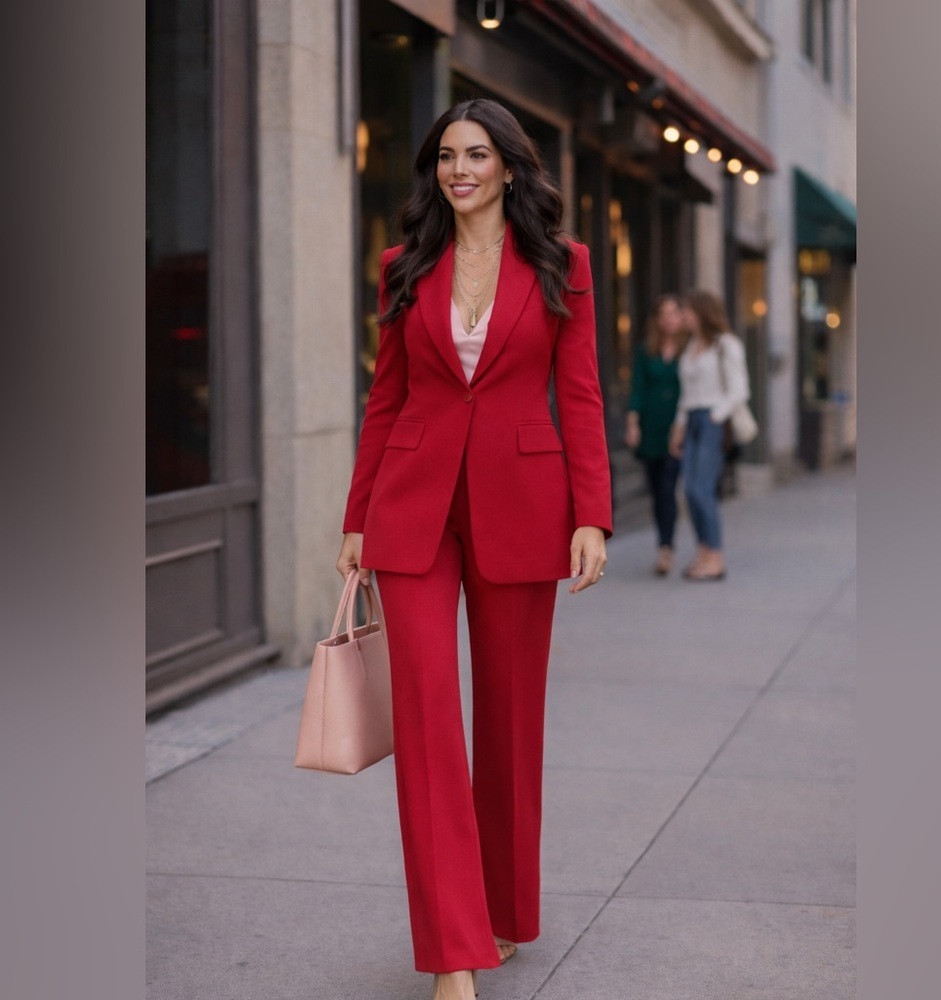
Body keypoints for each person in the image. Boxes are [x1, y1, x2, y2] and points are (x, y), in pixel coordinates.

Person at [336, 99, 612, 1000]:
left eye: (477, 155)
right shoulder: (404, 267)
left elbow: (580, 397)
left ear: (507, 167)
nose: (460, 170)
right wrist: (355, 517)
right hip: (412, 510)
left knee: (506, 722)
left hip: (524, 506)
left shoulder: (560, 266)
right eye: (447, 156)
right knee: (424, 720)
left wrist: (592, 515)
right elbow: (387, 398)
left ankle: (502, 906)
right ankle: (453, 950)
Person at [668, 289, 750, 581]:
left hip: (712, 421)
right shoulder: (691, 346)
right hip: (690, 420)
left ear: (701, 312)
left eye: (687, 311)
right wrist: (678, 427)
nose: (683, 316)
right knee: (688, 490)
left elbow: (740, 390)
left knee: (702, 489)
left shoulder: (725, 345)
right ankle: (704, 551)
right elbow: (685, 394)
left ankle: (716, 556)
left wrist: (714, 417)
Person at [624, 294, 686, 575]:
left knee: (667, 488)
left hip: (677, 430)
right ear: (658, 320)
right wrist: (633, 423)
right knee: (655, 489)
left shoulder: (690, 348)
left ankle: (666, 549)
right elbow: (638, 388)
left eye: (674, 312)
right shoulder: (645, 349)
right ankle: (663, 542)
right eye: (664, 314)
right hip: (650, 427)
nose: (669, 318)